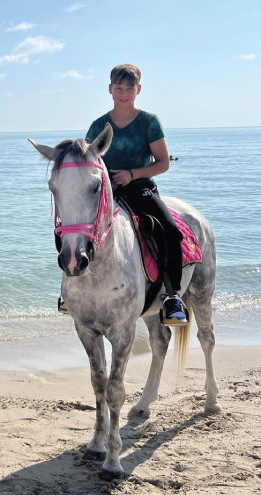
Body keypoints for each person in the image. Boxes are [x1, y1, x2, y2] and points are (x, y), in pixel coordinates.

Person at [77, 64, 188, 325]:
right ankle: (73, 291)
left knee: (170, 230)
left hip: (140, 188)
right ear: (110, 89)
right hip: (107, 192)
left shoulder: (149, 122)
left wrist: (131, 174)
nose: (124, 92)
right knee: (72, 228)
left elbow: (162, 163)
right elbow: (88, 165)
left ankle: (173, 296)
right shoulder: (97, 126)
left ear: (138, 89)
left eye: (129, 88)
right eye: (119, 87)